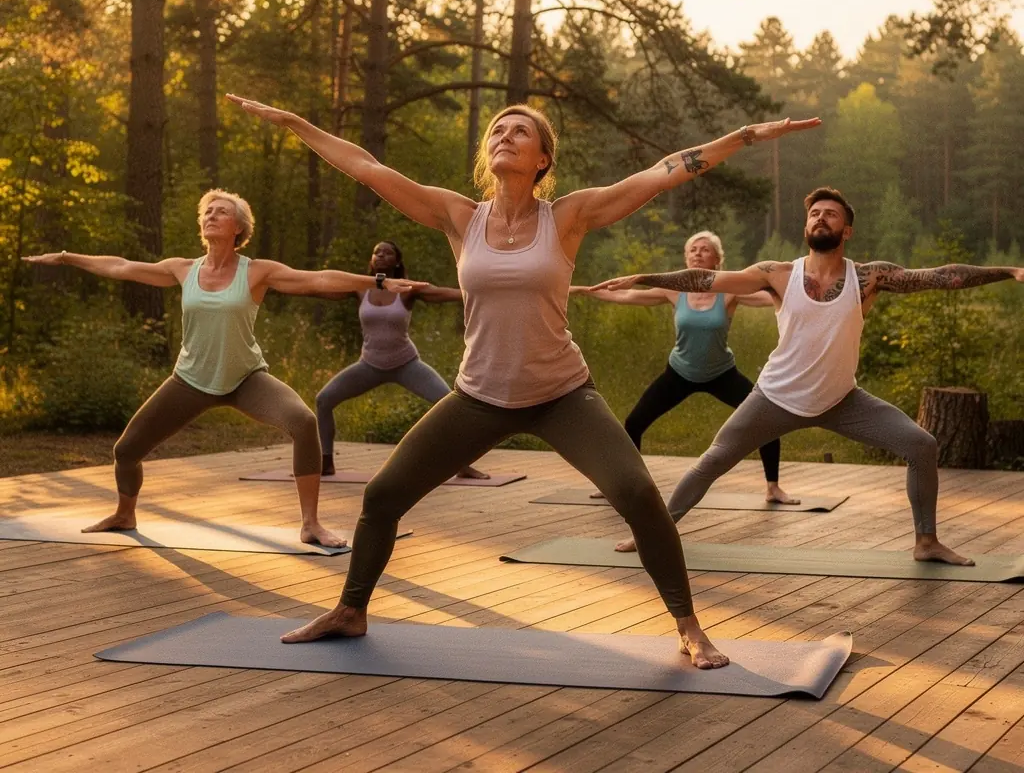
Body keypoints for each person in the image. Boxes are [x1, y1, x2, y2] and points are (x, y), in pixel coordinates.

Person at [230, 89, 819, 668]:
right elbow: (367, 166)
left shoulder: (567, 216)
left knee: (638, 495)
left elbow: (663, 173)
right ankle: (351, 610)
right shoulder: (459, 215)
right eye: (497, 130)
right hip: (478, 397)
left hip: (562, 394)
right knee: (382, 497)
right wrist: (293, 120)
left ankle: (688, 626)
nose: (504, 136)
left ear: (543, 160)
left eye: (520, 131)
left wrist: (743, 138)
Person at [599, 186, 1024, 560]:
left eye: (831, 213)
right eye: (815, 213)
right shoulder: (777, 274)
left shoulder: (869, 277)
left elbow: (940, 276)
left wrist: (1008, 271)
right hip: (775, 398)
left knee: (922, 445)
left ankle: (926, 542)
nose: (821, 217)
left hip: (843, 400)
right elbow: (706, 278)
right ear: (806, 227)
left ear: (847, 231)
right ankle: (653, 534)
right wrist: (644, 275)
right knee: (713, 460)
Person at [23, 189, 424, 548]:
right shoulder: (183, 269)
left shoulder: (256, 271)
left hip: (245, 378)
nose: (211, 215)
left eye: (221, 211)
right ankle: (125, 513)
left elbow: (318, 279)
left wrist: (380, 282)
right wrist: (65, 257)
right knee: (126, 450)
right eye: (207, 211)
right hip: (190, 380)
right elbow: (121, 266)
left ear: (239, 227)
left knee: (303, 422)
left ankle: (311, 524)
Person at [573, 229, 800, 504]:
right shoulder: (673, 291)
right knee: (634, 422)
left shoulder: (730, 292)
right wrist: (583, 290)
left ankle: (773, 488)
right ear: (685, 258)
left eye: (705, 249)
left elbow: (777, 298)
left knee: (765, 419)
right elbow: (626, 297)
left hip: (722, 374)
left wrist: (808, 292)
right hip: (679, 373)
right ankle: (623, 484)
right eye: (692, 249)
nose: (697, 253)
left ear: (717, 260)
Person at [316, 239, 488, 480]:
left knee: (450, 404)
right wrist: (281, 285)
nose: (381, 256)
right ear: (371, 260)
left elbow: (442, 293)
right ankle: (326, 462)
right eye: (377, 252)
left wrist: (478, 293)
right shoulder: (360, 288)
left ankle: (463, 465)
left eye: (387, 253)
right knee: (324, 400)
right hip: (369, 365)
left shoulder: (407, 290)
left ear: (397, 261)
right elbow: (320, 288)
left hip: (406, 364)